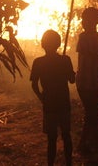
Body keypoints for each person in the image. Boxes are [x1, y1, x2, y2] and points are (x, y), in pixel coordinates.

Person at [31, 29, 76, 166]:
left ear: (43, 44)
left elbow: (34, 84)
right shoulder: (65, 60)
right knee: (66, 135)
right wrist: (73, 72)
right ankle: (69, 163)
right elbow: (72, 80)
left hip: (49, 103)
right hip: (63, 103)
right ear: (58, 44)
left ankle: (50, 163)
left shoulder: (38, 62)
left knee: (51, 138)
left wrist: (41, 97)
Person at [75, 7, 98, 155]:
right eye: (83, 19)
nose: (84, 22)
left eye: (87, 19)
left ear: (96, 21)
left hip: (95, 81)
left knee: (91, 114)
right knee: (92, 114)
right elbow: (89, 55)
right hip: (83, 81)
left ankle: (84, 144)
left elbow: (96, 61)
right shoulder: (82, 37)